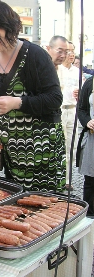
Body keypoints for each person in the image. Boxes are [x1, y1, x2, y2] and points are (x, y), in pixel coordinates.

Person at [0, 0, 66, 192]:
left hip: (42, 155)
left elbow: (55, 98)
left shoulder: (34, 55)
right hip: (11, 154)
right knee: (16, 209)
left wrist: (17, 102)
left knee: (43, 211)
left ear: (8, 25)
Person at [57, 41, 81, 190]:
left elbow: (83, 92)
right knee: (59, 145)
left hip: (72, 110)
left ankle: (67, 179)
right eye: (68, 51)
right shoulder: (56, 69)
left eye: (73, 51)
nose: (71, 54)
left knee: (72, 145)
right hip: (59, 111)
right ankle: (57, 176)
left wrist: (81, 93)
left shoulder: (76, 71)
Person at [77, 76, 94, 217]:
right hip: (92, 138)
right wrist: (87, 121)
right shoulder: (90, 83)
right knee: (90, 178)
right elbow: (81, 109)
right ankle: (89, 214)